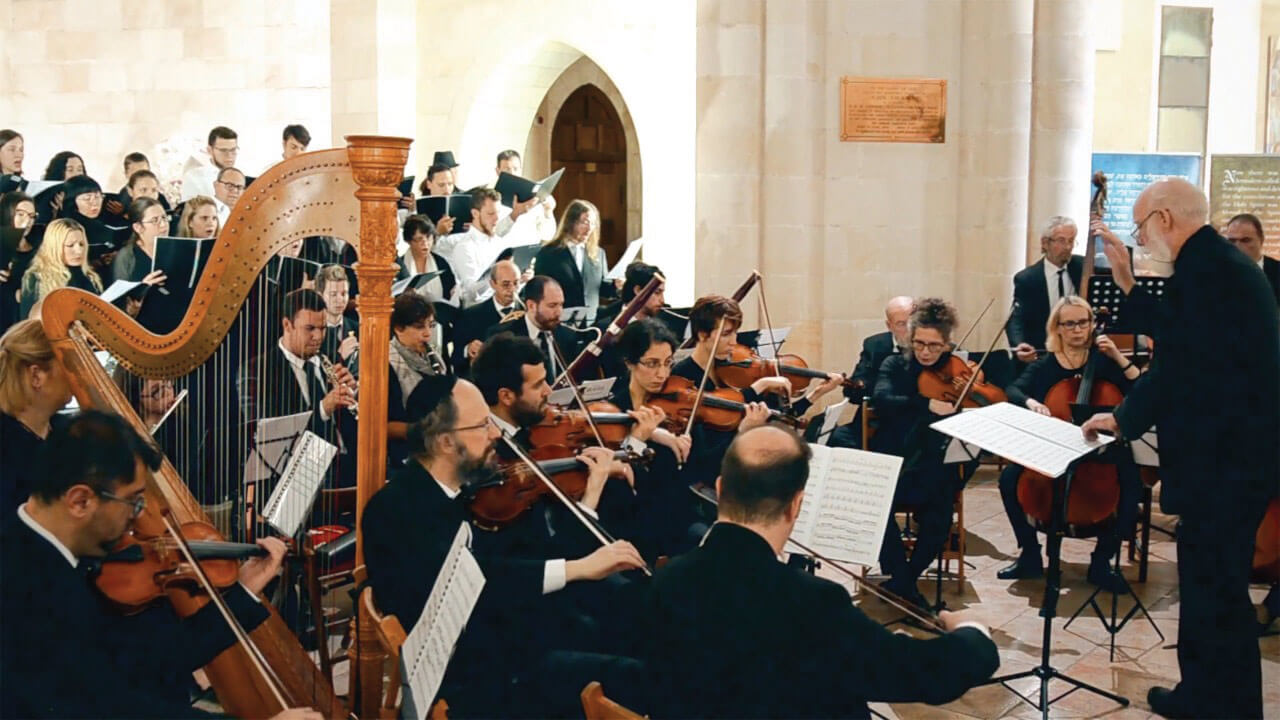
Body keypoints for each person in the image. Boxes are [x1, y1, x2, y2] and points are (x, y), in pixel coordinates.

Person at [1081, 178, 1279, 719]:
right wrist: (1126, 285)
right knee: (1204, 586)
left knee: (1218, 593)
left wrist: (1123, 419)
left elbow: (1178, 367)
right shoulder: (1214, 267)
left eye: (1142, 226)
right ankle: (1201, 695)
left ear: (1165, 218)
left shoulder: (1209, 268)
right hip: (1226, 462)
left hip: (1226, 465)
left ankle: (1233, 708)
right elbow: (1183, 342)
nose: (1142, 239)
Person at [638, 425, 1000, 719]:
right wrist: (973, 634)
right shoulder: (814, 602)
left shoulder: (667, 581)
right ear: (797, 503)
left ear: (720, 489)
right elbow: (923, 675)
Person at [0, 409, 319, 720]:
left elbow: (149, 657)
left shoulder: (63, 553)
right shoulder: (23, 588)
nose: (138, 515)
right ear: (80, 501)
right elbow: (116, 707)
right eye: (134, 500)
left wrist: (243, 591)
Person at [361, 375, 647, 717]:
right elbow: (483, 581)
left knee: (627, 622)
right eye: (483, 425)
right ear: (446, 443)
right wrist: (577, 569)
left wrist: (589, 509)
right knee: (632, 674)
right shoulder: (398, 510)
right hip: (480, 679)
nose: (496, 434)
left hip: (503, 642)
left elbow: (524, 557)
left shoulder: (460, 491)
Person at [995, 296, 1141, 591]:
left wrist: (1120, 358)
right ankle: (1030, 554)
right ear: (1057, 328)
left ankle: (1102, 561)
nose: (1077, 330)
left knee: (1131, 487)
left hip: (1100, 450)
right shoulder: (1046, 365)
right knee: (1009, 480)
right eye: (1070, 323)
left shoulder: (1106, 362)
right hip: (1055, 449)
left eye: (1083, 322)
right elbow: (1013, 389)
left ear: (1091, 325)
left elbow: (1141, 390)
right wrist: (1032, 402)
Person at [871, 298, 970, 609]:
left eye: (935, 346)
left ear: (947, 344)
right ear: (910, 339)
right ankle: (903, 579)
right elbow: (882, 396)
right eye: (919, 344)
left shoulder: (954, 372)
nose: (926, 352)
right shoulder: (895, 364)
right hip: (896, 461)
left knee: (941, 513)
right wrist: (925, 404)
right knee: (877, 505)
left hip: (933, 467)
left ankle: (904, 580)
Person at [0, 318, 71, 525]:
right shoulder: (6, 444)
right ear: (36, 375)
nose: (78, 373)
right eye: (68, 363)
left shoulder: (65, 429)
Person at [830, 295, 913, 449]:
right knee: (837, 438)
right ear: (889, 326)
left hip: (912, 419)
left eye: (913, 322)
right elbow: (855, 390)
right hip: (880, 418)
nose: (909, 330)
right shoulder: (874, 345)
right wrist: (859, 385)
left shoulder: (930, 345)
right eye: (901, 324)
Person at [1008, 215, 1084, 365]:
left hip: (1078, 352)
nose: (1068, 247)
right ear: (1045, 243)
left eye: (1071, 241)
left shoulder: (1083, 267)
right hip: (1043, 353)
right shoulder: (1027, 279)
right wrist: (1019, 344)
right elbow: (1015, 319)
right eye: (1061, 241)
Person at [484, 275, 581, 384]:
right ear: (531, 306)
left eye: (561, 305)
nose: (559, 312)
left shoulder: (568, 335)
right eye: (552, 305)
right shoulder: (502, 337)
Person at [533, 199, 618, 318]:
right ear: (570, 222)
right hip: (559, 322)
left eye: (593, 223)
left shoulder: (598, 253)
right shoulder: (548, 253)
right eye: (585, 222)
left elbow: (603, 290)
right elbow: (540, 290)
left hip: (591, 323)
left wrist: (617, 286)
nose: (589, 228)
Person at [386, 293, 442, 467]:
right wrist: (425, 429)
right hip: (407, 455)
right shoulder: (386, 363)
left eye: (430, 325)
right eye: (419, 327)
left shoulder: (432, 354)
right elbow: (384, 426)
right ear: (398, 328)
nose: (427, 334)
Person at [436, 187, 514, 306]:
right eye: (490, 213)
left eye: (498, 213)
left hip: (505, 305)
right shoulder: (465, 247)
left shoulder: (500, 242)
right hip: (479, 310)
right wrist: (495, 272)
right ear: (475, 213)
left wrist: (521, 278)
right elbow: (472, 294)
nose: (497, 219)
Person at [19, 218, 103, 319]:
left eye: (81, 244)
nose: (79, 251)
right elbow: (27, 324)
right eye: (70, 245)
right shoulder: (35, 278)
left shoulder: (89, 277)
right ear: (55, 247)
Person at [450, 258, 520, 376]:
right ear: (492, 284)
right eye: (506, 284)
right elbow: (456, 358)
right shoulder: (470, 316)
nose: (512, 289)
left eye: (516, 283)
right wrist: (468, 350)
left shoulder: (529, 311)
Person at [1, 191, 41, 330]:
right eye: (21, 214)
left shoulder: (39, 246)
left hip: (29, 318)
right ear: (7, 213)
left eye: (31, 216)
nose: (27, 221)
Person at [396, 214, 457, 303]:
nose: (425, 244)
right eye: (419, 239)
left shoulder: (441, 262)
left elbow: (450, 292)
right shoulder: (400, 267)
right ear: (408, 241)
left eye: (428, 238)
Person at [1224, 212, 1279, 304]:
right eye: (1232, 241)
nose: (1238, 246)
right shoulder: (1217, 273)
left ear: (1261, 240)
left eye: (1245, 240)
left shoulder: (1277, 271)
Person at [315, 264, 359, 363]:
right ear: (319, 295)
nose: (340, 300)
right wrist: (339, 356)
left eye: (344, 293)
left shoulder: (359, 328)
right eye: (333, 294)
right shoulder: (311, 333)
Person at [181, 126, 239, 201]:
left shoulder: (240, 177)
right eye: (223, 150)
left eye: (233, 150)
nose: (229, 155)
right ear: (209, 150)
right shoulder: (195, 178)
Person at [418, 163, 458, 235]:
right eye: (441, 185)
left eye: (450, 184)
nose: (447, 190)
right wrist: (438, 232)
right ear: (429, 184)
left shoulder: (460, 204)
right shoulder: (418, 210)